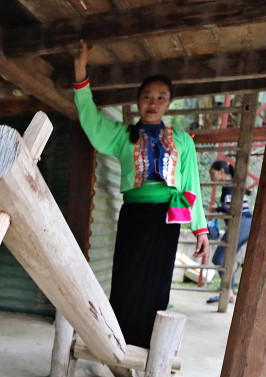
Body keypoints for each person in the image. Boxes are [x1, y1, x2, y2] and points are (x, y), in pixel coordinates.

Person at [73, 41, 208, 348]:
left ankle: (150, 346)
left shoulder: (183, 140)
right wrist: (81, 72)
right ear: (137, 102)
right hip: (134, 215)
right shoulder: (123, 136)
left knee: (158, 282)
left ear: (169, 103)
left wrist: (200, 229)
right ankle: (118, 342)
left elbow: (191, 186)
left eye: (160, 97)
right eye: (147, 96)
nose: (153, 102)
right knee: (127, 277)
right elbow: (91, 120)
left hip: (168, 218)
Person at [205, 160, 253, 303]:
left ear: (221, 172)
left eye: (213, 174)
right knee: (227, 259)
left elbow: (230, 208)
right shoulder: (231, 184)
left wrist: (216, 209)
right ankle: (228, 292)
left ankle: (229, 292)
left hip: (241, 224)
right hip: (245, 224)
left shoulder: (228, 186)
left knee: (219, 258)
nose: (211, 178)